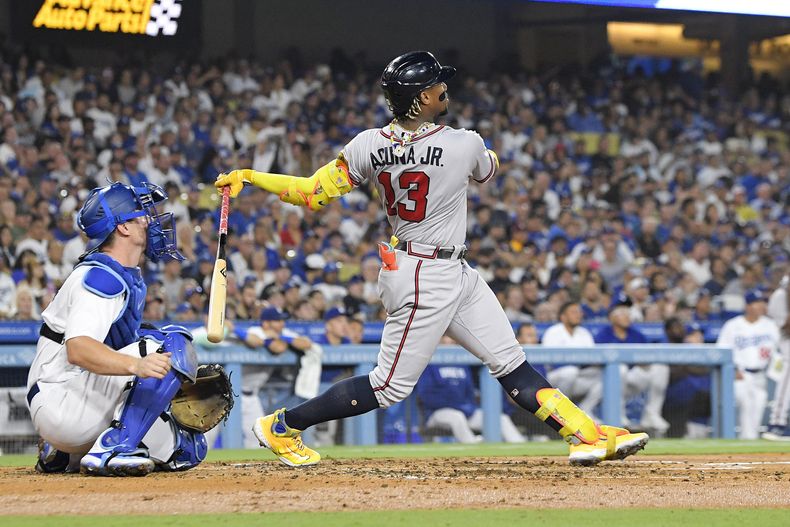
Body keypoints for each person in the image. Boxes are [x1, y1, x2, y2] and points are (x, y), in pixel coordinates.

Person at [216, 50, 648, 467]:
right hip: (424, 275)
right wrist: (485, 155)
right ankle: (282, 425)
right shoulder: (464, 143)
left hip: (445, 268)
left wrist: (251, 176)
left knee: (510, 360)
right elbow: (488, 168)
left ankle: (584, 434)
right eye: (438, 84)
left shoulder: (368, 145)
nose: (445, 89)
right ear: (423, 97)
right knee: (387, 387)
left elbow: (309, 193)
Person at [26, 182, 207, 476]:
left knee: (187, 449)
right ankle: (115, 447)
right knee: (174, 344)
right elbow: (78, 349)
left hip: (73, 398)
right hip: (62, 398)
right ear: (123, 228)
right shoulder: (102, 277)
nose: (150, 221)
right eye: (141, 215)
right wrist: (138, 365)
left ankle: (62, 454)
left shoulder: (120, 274)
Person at [235, 306, 323, 448]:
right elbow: (272, 346)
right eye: (277, 321)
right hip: (228, 392)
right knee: (209, 434)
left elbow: (306, 343)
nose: (282, 324)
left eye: (282, 320)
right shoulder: (255, 331)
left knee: (258, 440)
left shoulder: (281, 333)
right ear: (266, 323)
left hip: (251, 395)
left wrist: (281, 337)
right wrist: (272, 340)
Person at [596, 295, 670, 435]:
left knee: (661, 367)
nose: (627, 316)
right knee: (620, 368)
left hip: (634, 378)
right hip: (608, 383)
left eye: (628, 313)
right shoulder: (603, 334)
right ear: (612, 317)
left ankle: (651, 414)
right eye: (622, 313)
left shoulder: (637, 334)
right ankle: (619, 415)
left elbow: (647, 359)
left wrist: (643, 363)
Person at [717, 289, 781, 439]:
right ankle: (747, 440)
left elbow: (779, 349)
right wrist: (732, 369)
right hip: (740, 374)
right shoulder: (732, 325)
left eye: (761, 303)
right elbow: (722, 351)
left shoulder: (770, 325)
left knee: (758, 407)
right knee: (746, 405)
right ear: (748, 306)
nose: (760, 306)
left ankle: (748, 442)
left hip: (762, 375)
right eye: (756, 303)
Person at [416, 363, 526, 443]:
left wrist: (467, 407)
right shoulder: (430, 363)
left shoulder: (462, 364)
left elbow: (469, 392)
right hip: (436, 413)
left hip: (465, 412)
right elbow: (426, 395)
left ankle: (522, 450)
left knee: (500, 418)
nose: (448, 340)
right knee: (456, 417)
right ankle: (473, 450)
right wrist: (457, 406)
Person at [542, 302, 602, 417]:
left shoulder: (584, 333)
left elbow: (592, 359)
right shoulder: (553, 332)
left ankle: (585, 411)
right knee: (570, 371)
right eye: (573, 312)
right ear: (563, 317)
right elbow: (551, 361)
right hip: (553, 379)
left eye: (579, 312)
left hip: (577, 377)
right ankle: (561, 412)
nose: (578, 315)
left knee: (606, 375)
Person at [763, 276, 790, 440]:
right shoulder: (780, 295)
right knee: (786, 380)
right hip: (781, 343)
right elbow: (786, 326)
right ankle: (776, 425)